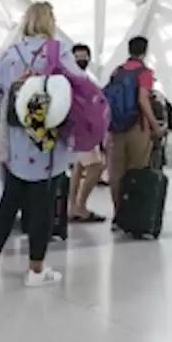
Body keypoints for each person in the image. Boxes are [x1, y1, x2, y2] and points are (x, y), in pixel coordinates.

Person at [0, 2, 79, 286]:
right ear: (50, 21)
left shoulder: (10, 53)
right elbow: (78, 83)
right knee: (42, 205)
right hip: (46, 140)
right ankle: (36, 270)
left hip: (16, 140)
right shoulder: (58, 51)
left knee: (9, 199)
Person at [107, 36, 163, 221]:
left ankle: (118, 215)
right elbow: (142, 100)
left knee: (116, 174)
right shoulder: (144, 72)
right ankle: (132, 216)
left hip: (116, 128)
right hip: (137, 128)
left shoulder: (117, 72)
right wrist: (155, 126)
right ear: (145, 51)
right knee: (137, 172)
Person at [67, 43, 106, 223]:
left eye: (84, 57)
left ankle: (72, 206)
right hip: (84, 130)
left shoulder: (77, 77)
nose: (81, 60)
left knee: (78, 167)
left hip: (76, 132)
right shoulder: (81, 79)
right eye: (78, 57)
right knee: (97, 165)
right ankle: (80, 206)